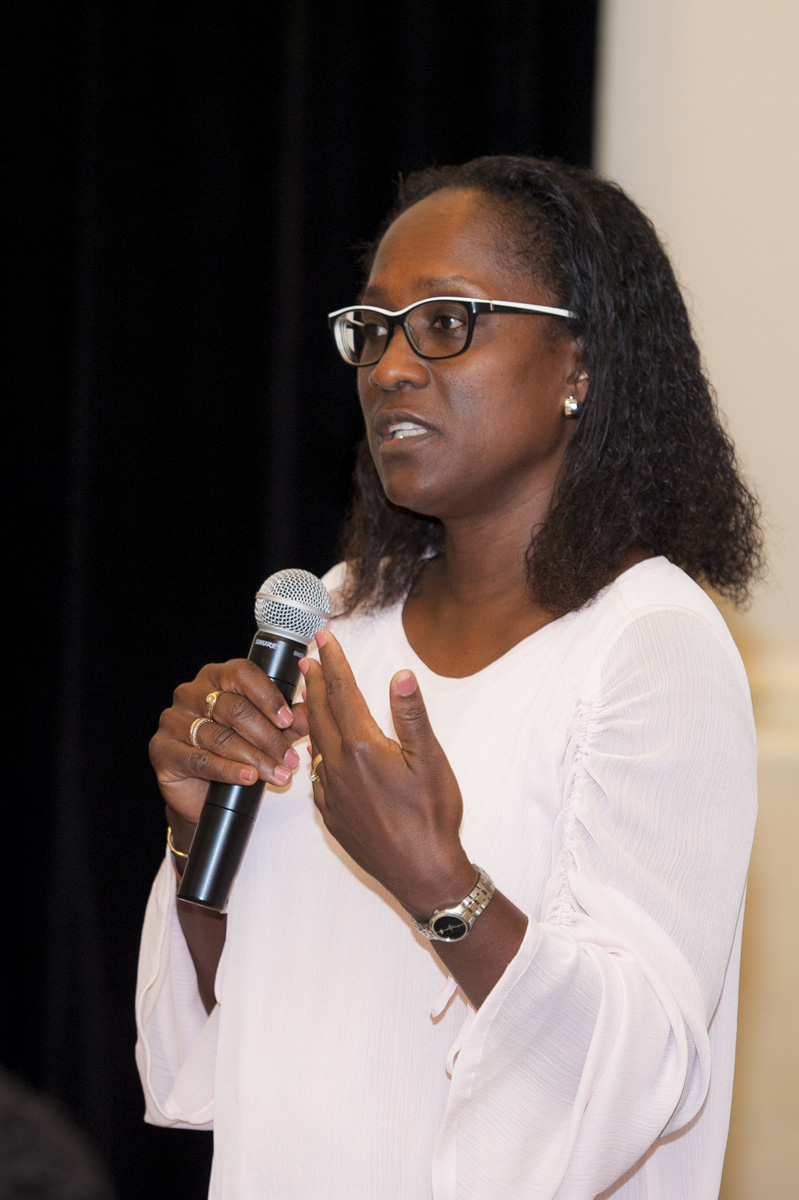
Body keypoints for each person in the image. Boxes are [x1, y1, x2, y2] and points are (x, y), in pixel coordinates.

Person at [137, 155, 762, 1199]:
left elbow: (639, 1076)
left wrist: (438, 882)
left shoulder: (650, 644)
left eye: (445, 322)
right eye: (374, 329)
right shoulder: (337, 614)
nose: (389, 367)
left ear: (579, 361)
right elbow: (228, 1037)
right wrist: (199, 841)